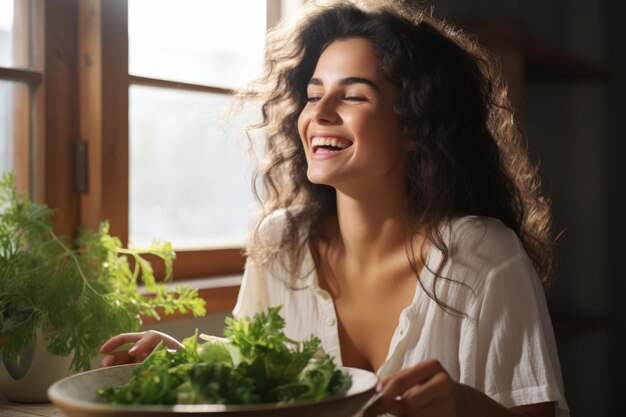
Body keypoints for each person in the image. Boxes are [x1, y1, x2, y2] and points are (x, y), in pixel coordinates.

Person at [99, 1, 569, 416]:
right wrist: (186, 356)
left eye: (353, 95)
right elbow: (261, 370)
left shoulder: (483, 257)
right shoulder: (279, 242)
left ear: (416, 125)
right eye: (313, 94)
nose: (319, 113)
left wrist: (466, 409)